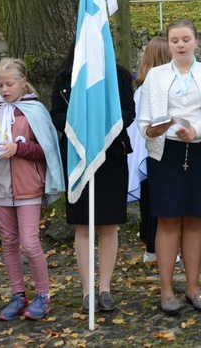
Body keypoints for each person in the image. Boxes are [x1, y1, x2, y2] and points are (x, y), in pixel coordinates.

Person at [137, 19, 201, 315]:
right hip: (165, 154)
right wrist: (150, 131)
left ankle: (193, 286)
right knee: (167, 220)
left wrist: (198, 130)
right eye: (174, 40)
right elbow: (143, 120)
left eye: (185, 39)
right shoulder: (155, 75)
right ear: (168, 44)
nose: (180, 45)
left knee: (195, 220)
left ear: (196, 41)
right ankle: (166, 289)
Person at [51, 44, 135, 313]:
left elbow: (128, 112)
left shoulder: (119, 76)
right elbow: (57, 115)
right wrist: (81, 126)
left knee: (109, 225)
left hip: (111, 156)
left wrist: (103, 127)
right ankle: (87, 290)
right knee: (83, 225)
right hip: (78, 156)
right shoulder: (65, 78)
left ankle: (105, 288)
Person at [0, 58, 64, 321]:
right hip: (0, 186)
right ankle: (18, 294)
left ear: (23, 82)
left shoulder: (34, 111)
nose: (4, 89)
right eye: (0, 84)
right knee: (8, 242)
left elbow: (46, 150)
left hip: (28, 185)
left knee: (29, 243)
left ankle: (43, 295)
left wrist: (19, 149)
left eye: (9, 84)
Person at [127, 37, 171, 263]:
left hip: (142, 149)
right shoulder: (151, 89)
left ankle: (149, 242)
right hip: (154, 148)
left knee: (148, 197)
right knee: (159, 198)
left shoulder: (141, 88)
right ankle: (155, 248)